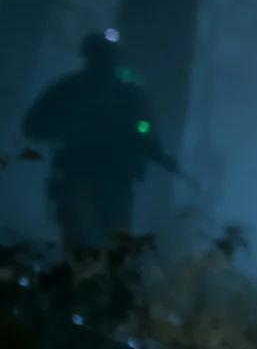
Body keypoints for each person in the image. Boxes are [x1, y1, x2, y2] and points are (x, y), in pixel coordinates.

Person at [22, 29, 173, 249]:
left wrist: (149, 146)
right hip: (82, 177)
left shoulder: (122, 94)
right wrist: (67, 126)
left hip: (112, 181)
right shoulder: (71, 90)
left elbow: (145, 131)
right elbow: (33, 126)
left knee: (109, 246)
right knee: (85, 246)